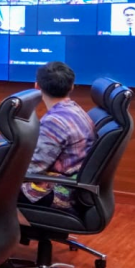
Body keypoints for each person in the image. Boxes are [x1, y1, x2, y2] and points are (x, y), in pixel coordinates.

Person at [21, 62, 96, 211]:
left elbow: (32, 170)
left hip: (60, 192)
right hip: (74, 187)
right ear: (72, 87)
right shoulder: (76, 110)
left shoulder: (54, 122)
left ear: (37, 86)